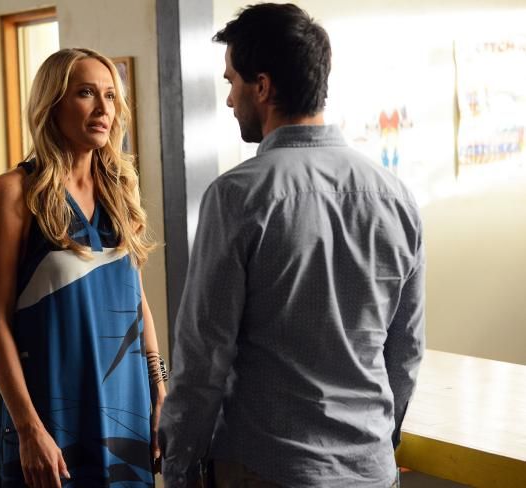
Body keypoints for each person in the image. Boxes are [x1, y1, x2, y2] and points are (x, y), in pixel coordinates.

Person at [158, 4, 425, 488]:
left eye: (231, 82)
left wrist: (178, 468)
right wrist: (379, 443)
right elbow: (405, 350)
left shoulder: (237, 196)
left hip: (269, 469)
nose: (229, 99)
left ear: (262, 87)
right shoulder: (395, 196)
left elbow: (203, 359)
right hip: (371, 470)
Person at [0, 48, 166, 488]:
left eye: (110, 96)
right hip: (50, 413)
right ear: (53, 104)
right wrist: (29, 429)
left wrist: (159, 390)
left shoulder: (120, 189)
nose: (103, 109)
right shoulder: (15, 193)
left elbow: (136, 301)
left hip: (126, 409)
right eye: (86, 93)